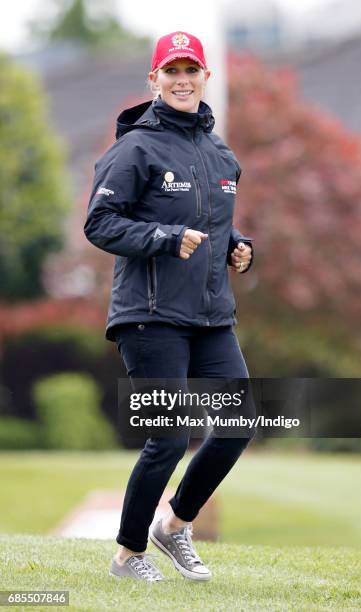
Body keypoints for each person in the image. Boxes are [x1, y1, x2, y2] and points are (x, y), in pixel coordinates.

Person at [84, 31, 254, 583]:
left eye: (192, 70)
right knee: (171, 435)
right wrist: (163, 236)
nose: (183, 79)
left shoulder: (220, 153)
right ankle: (128, 556)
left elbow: (210, 226)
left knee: (238, 424)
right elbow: (100, 222)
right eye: (171, 70)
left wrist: (237, 247)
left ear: (206, 77)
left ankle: (175, 525)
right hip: (150, 315)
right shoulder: (135, 147)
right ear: (153, 80)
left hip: (210, 315)